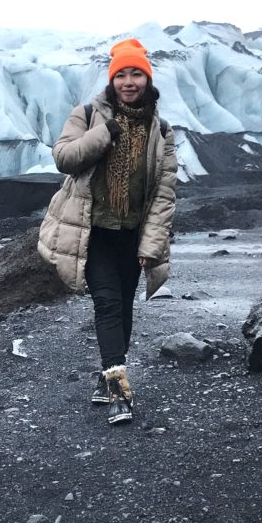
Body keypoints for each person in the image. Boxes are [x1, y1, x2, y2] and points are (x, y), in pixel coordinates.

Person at [38, 38, 178, 425]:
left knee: (125, 306)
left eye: (136, 74)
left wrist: (152, 244)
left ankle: (107, 375)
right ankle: (119, 389)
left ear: (147, 80)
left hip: (131, 232)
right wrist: (105, 133)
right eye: (121, 74)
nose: (129, 81)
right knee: (108, 304)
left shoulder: (161, 130)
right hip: (93, 229)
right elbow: (64, 157)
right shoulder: (86, 113)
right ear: (111, 79)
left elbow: (164, 194)